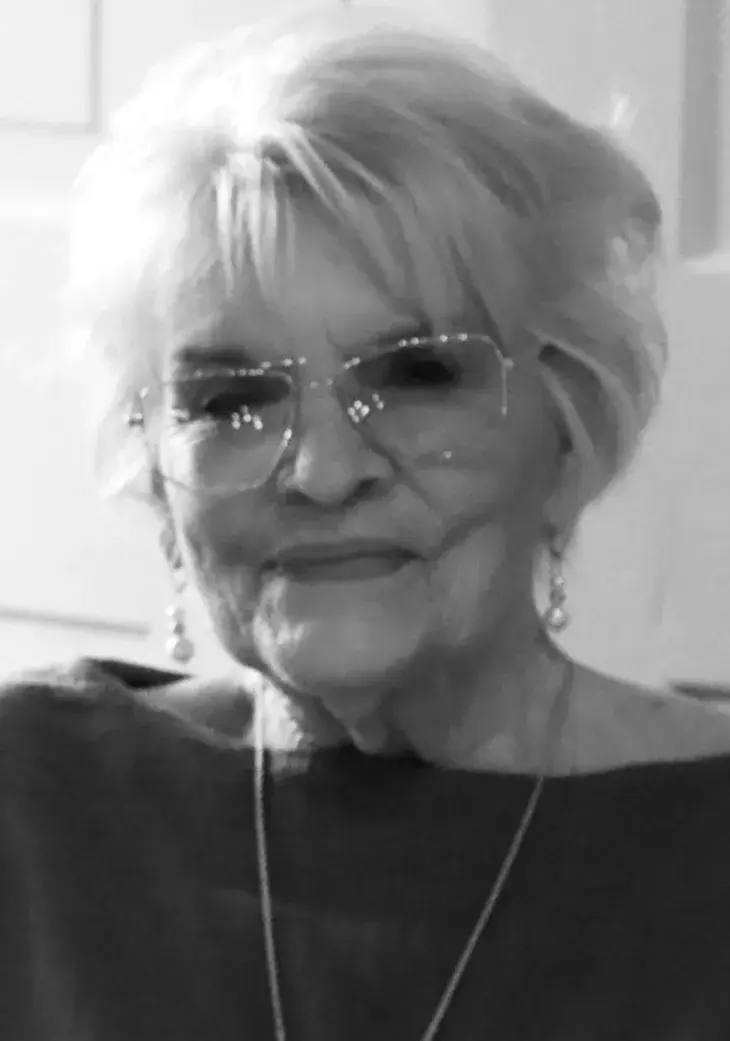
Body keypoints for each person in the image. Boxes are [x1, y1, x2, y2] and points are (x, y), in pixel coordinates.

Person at [3, 5, 730, 1039]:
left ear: (569, 424)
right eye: (229, 402)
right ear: (156, 473)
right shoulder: (35, 804)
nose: (323, 471)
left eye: (416, 374)